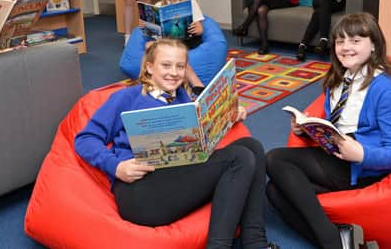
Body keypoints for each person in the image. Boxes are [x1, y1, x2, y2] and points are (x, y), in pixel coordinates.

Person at [75, 38, 279, 249]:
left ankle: (255, 243)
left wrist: (228, 115)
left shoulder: (182, 98)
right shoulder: (127, 97)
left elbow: (200, 140)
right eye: (166, 65)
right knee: (240, 158)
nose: (174, 72)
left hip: (176, 180)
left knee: (252, 147)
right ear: (149, 67)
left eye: (180, 66)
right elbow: (85, 139)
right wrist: (116, 167)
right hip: (139, 192)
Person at [265, 13, 391, 249]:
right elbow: (336, 122)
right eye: (340, 41)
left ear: (374, 45)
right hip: (335, 155)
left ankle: (331, 241)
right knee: (273, 190)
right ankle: (342, 243)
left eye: (355, 41)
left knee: (274, 159)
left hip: (359, 166)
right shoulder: (338, 79)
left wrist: (361, 155)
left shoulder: (386, 89)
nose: (346, 47)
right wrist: (305, 128)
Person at [141, 0, 205, 90]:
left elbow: (200, 28)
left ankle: (197, 85)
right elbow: (155, 33)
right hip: (167, 40)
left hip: (187, 39)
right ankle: (150, 82)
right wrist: (146, 25)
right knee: (148, 45)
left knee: (176, 52)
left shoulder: (190, 1)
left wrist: (196, 29)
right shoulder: (159, 5)